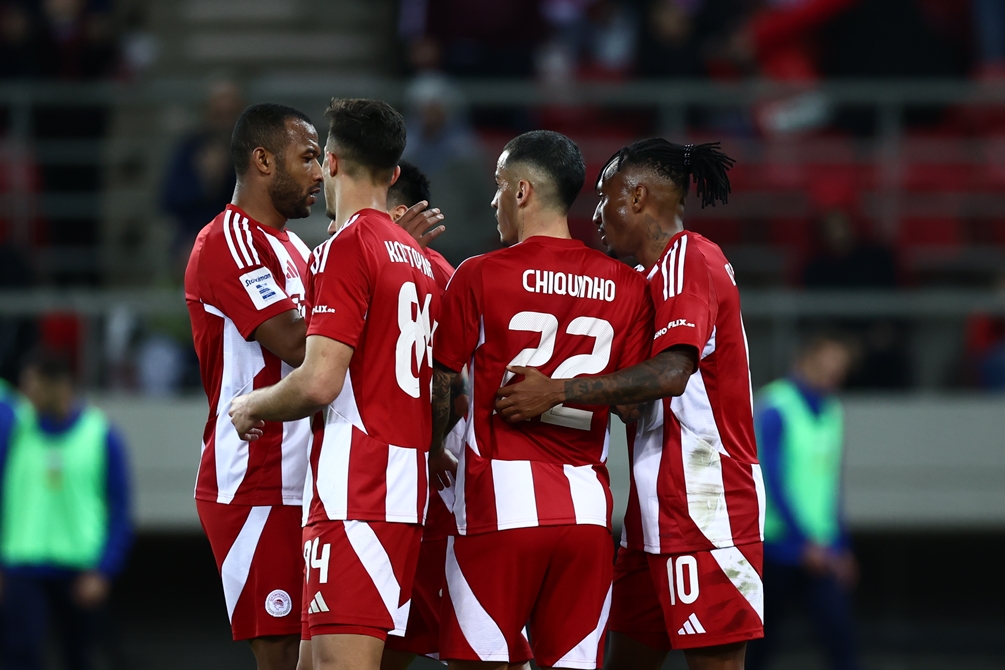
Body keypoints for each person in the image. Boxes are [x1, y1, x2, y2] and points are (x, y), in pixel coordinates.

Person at [495, 139, 762, 670]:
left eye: (605, 196)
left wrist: (558, 390)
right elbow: (640, 397)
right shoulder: (648, 280)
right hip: (653, 511)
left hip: (706, 505)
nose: (595, 213)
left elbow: (672, 374)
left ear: (638, 197)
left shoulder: (688, 256)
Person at [228, 98, 439, 670]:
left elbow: (320, 381)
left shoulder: (345, 247)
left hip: (357, 488)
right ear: (393, 173)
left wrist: (252, 406)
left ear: (333, 163)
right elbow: (448, 383)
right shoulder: (422, 260)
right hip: (403, 487)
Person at [431, 130, 654, 670]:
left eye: (499, 185)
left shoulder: (478, 274)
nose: (494, 200)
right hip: (588, 515)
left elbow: (443, 384)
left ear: (522, 191)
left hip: (498, 506)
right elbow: (632, 403)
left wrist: (434, 446)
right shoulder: (628, 286)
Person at [184, 102, 323, 670]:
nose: (320, 172)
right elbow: (298, 343)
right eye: (308, 157)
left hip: (307, 477)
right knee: (284, 655)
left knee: (331, 647)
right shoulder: (228, 241)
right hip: (257, 479)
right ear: (264, 161)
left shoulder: (298, 249)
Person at [0, 349, 132, 670]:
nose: (26, 393)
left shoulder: (101, 435)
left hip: (80, 570)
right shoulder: (15, 428)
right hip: (23, 567)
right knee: (20, 656)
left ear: (59, 384)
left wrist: (104, 570)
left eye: (32, 383)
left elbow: (120, 510)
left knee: (80, 658)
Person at [746, 333, 860, 670]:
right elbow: (773, 480)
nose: (833, 374)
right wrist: (804, 541)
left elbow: (830, 487)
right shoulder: (775, 406)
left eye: (840, 368)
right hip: (778, 547)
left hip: (822, 548)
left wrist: (842, 545)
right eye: (826, 365)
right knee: (758, 646)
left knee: (842, 641)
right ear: (803, 361)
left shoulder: (833, 410)